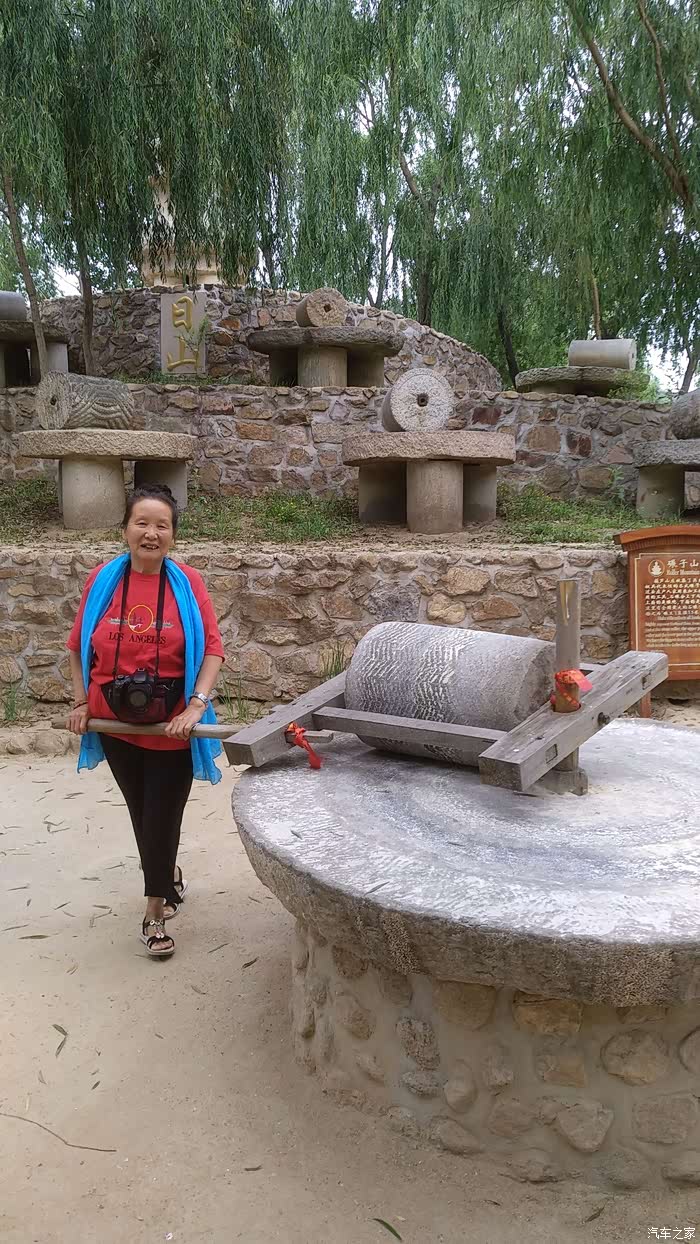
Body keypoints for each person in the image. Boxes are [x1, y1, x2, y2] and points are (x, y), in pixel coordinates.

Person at [66, 483, 225, 959]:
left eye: (162, 525)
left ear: (173, 535)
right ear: (125, 530)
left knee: (161, 814)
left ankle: (155, 911)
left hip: (172, 726)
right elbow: (77, 647)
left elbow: (213, 650)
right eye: (142, 523)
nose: (151, 533)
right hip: (114, 725)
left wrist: (196, 706)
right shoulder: (104, 579)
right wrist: (81, 703)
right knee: (142, 811)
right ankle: (166, 873)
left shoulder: (187, 583)